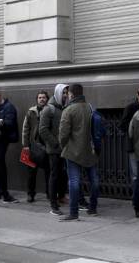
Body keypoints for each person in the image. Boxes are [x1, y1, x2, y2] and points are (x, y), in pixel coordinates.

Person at [58, 83, 99, 221]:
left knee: (74, 182)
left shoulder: (68, 110)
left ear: (71, 94)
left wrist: (63, 146)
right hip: (90, 150)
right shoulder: (90, 108)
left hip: (72, 151)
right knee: (94, 180)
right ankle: (93, 208)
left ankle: (74, 213)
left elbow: (63, 134)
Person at [39, 83, 69, 215]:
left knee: (62, 175)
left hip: (64, 148)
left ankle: (61, 196)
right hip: (54, 149)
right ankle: (53, 204)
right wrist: (55, 143)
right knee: (54, 175)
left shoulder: (64, 108)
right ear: (57, 93)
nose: (65, 95)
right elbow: (43, 130)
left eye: (66, 93)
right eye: (63, 93)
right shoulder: (48, 109)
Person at [0, 90, 19, 203]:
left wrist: (2, 123)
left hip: (3, 140)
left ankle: (1, 192)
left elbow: (10, 123)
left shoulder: (8, 107)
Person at [22, 90, 50, 203]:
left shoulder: (51, 111)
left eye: (44, 97)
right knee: (31, 173)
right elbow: (25, 129)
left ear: (47, 99)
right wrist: (25, 145)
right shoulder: (31, 112)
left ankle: (50, 194)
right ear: (37, 99)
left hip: (47, 148)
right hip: (32, 147)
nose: (42, 99)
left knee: (49, 172)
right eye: (39, 97)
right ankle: (30, 194)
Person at [120, 87, 139, 190]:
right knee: (136, 173)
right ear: (137, 96)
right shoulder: (130, 108)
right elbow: (122, 126)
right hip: (134, 145)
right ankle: (137, 198)